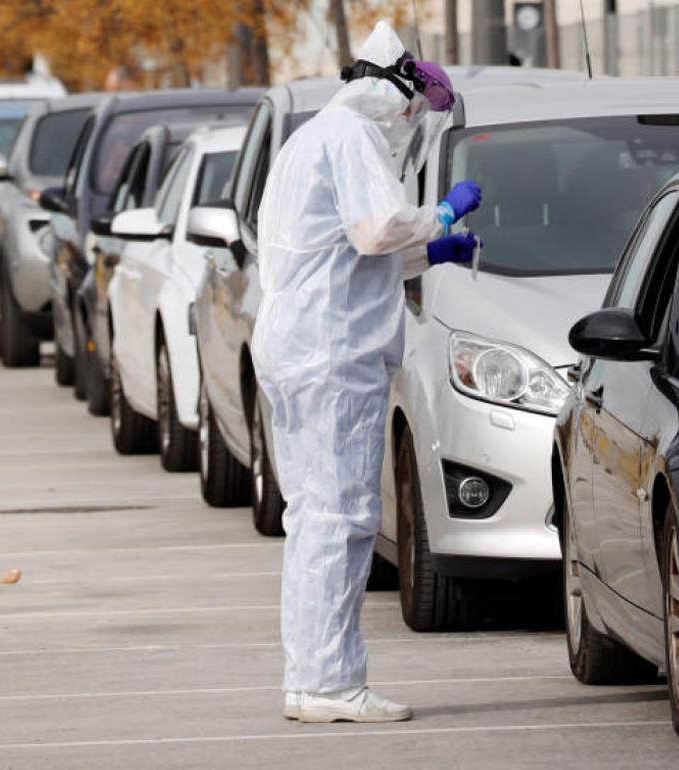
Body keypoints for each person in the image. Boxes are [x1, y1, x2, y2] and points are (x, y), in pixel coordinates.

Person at [252, 20, 482, 724]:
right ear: (395, 95)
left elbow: (353, 253)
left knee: (314, 518)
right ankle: (330, 684)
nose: (414, 127)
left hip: (302, 348)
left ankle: (310, 678)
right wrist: (440, 213)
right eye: (417, 112)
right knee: (343, 517)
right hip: (334, 356)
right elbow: (377, 230)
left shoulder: (308, 142)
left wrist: (431, 253)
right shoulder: (350, 136)